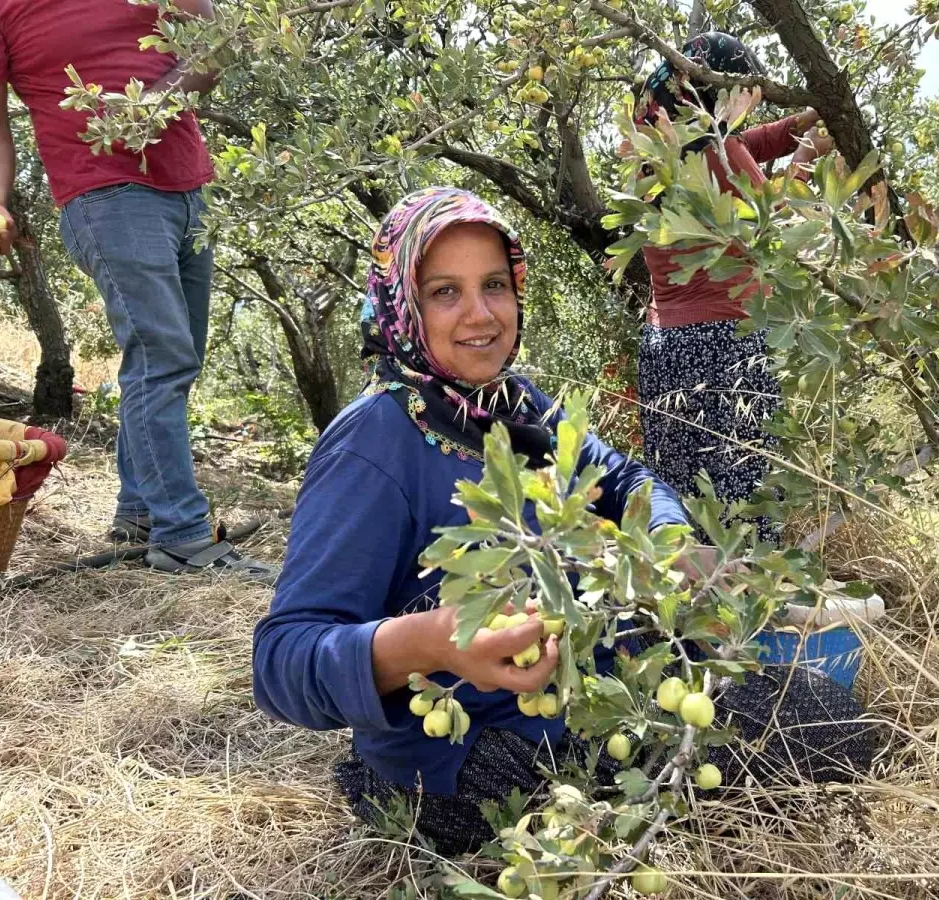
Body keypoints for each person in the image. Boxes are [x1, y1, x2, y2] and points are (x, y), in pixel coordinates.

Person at [252, 187, 874, 856]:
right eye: (444, 293)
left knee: (833, 722)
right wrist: (432, 642)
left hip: (587, 701)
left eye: (494, 285)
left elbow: (628, 479)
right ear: (401, 304)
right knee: (819, 743)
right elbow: (282, 663)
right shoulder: (374, 442)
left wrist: (664, 542)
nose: (480, 314)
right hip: (462, 761)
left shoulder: (518, 409)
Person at [0, 0, 275, 580]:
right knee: (163, 355)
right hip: (104, 196)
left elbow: (215, 42)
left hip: (188, 187)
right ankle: (183, 537)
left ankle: (139, 516)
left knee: (175, 359)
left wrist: (151, 108)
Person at [634, 32, 835, 545]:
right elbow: (776, 229)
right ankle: (748, 612)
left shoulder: (662, 143)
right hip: (722, 346)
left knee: (684, 499)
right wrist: (808, 155)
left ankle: (690, 613)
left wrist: (800, 123)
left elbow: (749, 143)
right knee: (743, 502)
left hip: (665, 348)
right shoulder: (716, 151)